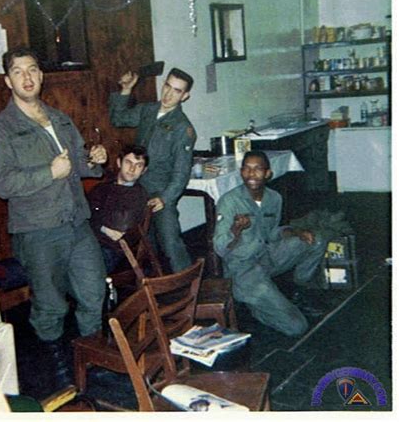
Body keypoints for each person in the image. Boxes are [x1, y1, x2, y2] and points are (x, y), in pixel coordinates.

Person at [0, 46, 107, 391]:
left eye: (32, 69)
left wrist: (95, 159)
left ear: (41, 74)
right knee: (50, 308)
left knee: (94, 294)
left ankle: (92, 360)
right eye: (18, 72)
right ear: (8, 81)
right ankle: (60, 375)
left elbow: (80, 165)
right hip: (38, 232)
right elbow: (4, 184)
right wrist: (49, 172)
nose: (27, 77)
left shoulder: (59, 119)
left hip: (76, 223)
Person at [213, 150, 327, 337]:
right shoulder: (229, 201)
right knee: (297, 327)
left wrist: (297, 232)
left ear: (268, 174)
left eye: (258, 169)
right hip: (244, 270)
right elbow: (219, 248)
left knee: (316, 240)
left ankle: (300, 289)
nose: (251, 174)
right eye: (247, 169)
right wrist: (235, 230)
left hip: (267, 256)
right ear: (241, 172)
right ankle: (256, 307)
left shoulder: (274, 198)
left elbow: (273, 232)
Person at [109, 68, 196, 273]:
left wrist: (165, 198)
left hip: (159, 192)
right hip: (136, 188)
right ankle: (155, 288)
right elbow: (118, 119)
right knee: (144, 244)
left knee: (170, 242)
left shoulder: (183, 128)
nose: (168, 94)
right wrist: (126, 90)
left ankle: (189, 288)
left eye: (176, 91)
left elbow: (181, 172)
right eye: (167, 86)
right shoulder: (147, 110)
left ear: (185, 96)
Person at [89, 144, 149, 273]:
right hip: (91, 242)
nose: (132, 169)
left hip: (113, 251)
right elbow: (85, 212)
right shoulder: (104, 186)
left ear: (144, 170)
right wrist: (103, 227)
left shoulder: (138, 194)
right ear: (119, 163)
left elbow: (118, 227)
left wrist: (96, 221)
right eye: (128, 162)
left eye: (138, 165)